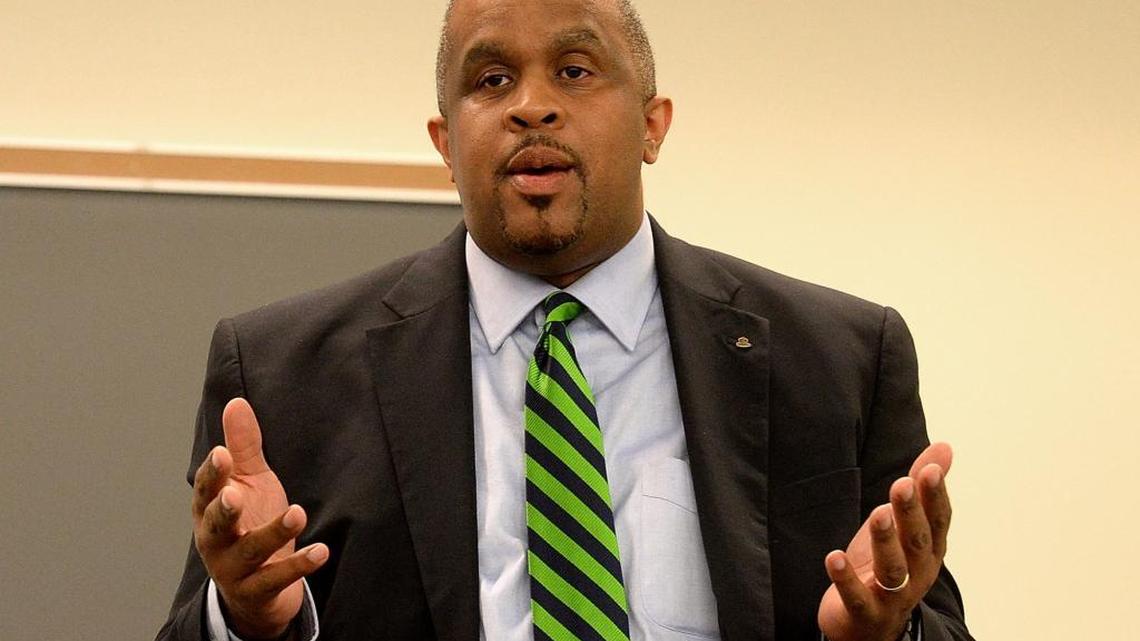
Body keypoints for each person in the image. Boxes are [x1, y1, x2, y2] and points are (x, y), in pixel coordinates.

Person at [158, 1, 972, 640]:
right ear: (445, 144)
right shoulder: (279, 374)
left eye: (577, 71)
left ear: (653, 124)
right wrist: (248, 622)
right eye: (491, 81)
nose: (532, 107)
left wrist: (882, 634)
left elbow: (934, 624)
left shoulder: (839, 361)